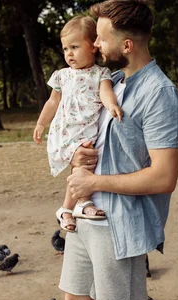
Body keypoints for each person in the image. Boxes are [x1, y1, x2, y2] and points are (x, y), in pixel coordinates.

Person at [60, 0, 178, 300]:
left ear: (127, 44)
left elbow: (163, 176)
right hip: (88, 213)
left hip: (122, 223)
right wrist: (81, 162)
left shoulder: (158, 93)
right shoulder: (112, 80)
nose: (93, 42)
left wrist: (94, 181)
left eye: (103, 37)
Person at [33, 15, 123, 232]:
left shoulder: (101, 73)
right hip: (65, 131)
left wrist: (112, 106)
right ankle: (83, 203)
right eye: (65, 49)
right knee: (81, 163)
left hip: (86, 129)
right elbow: (52, 101)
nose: (69, 54)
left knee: (82, 164)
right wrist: (41, 123)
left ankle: (66, 209)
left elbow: (105, 92)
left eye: (74, 46)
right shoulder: (62, 76)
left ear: (93, 45)